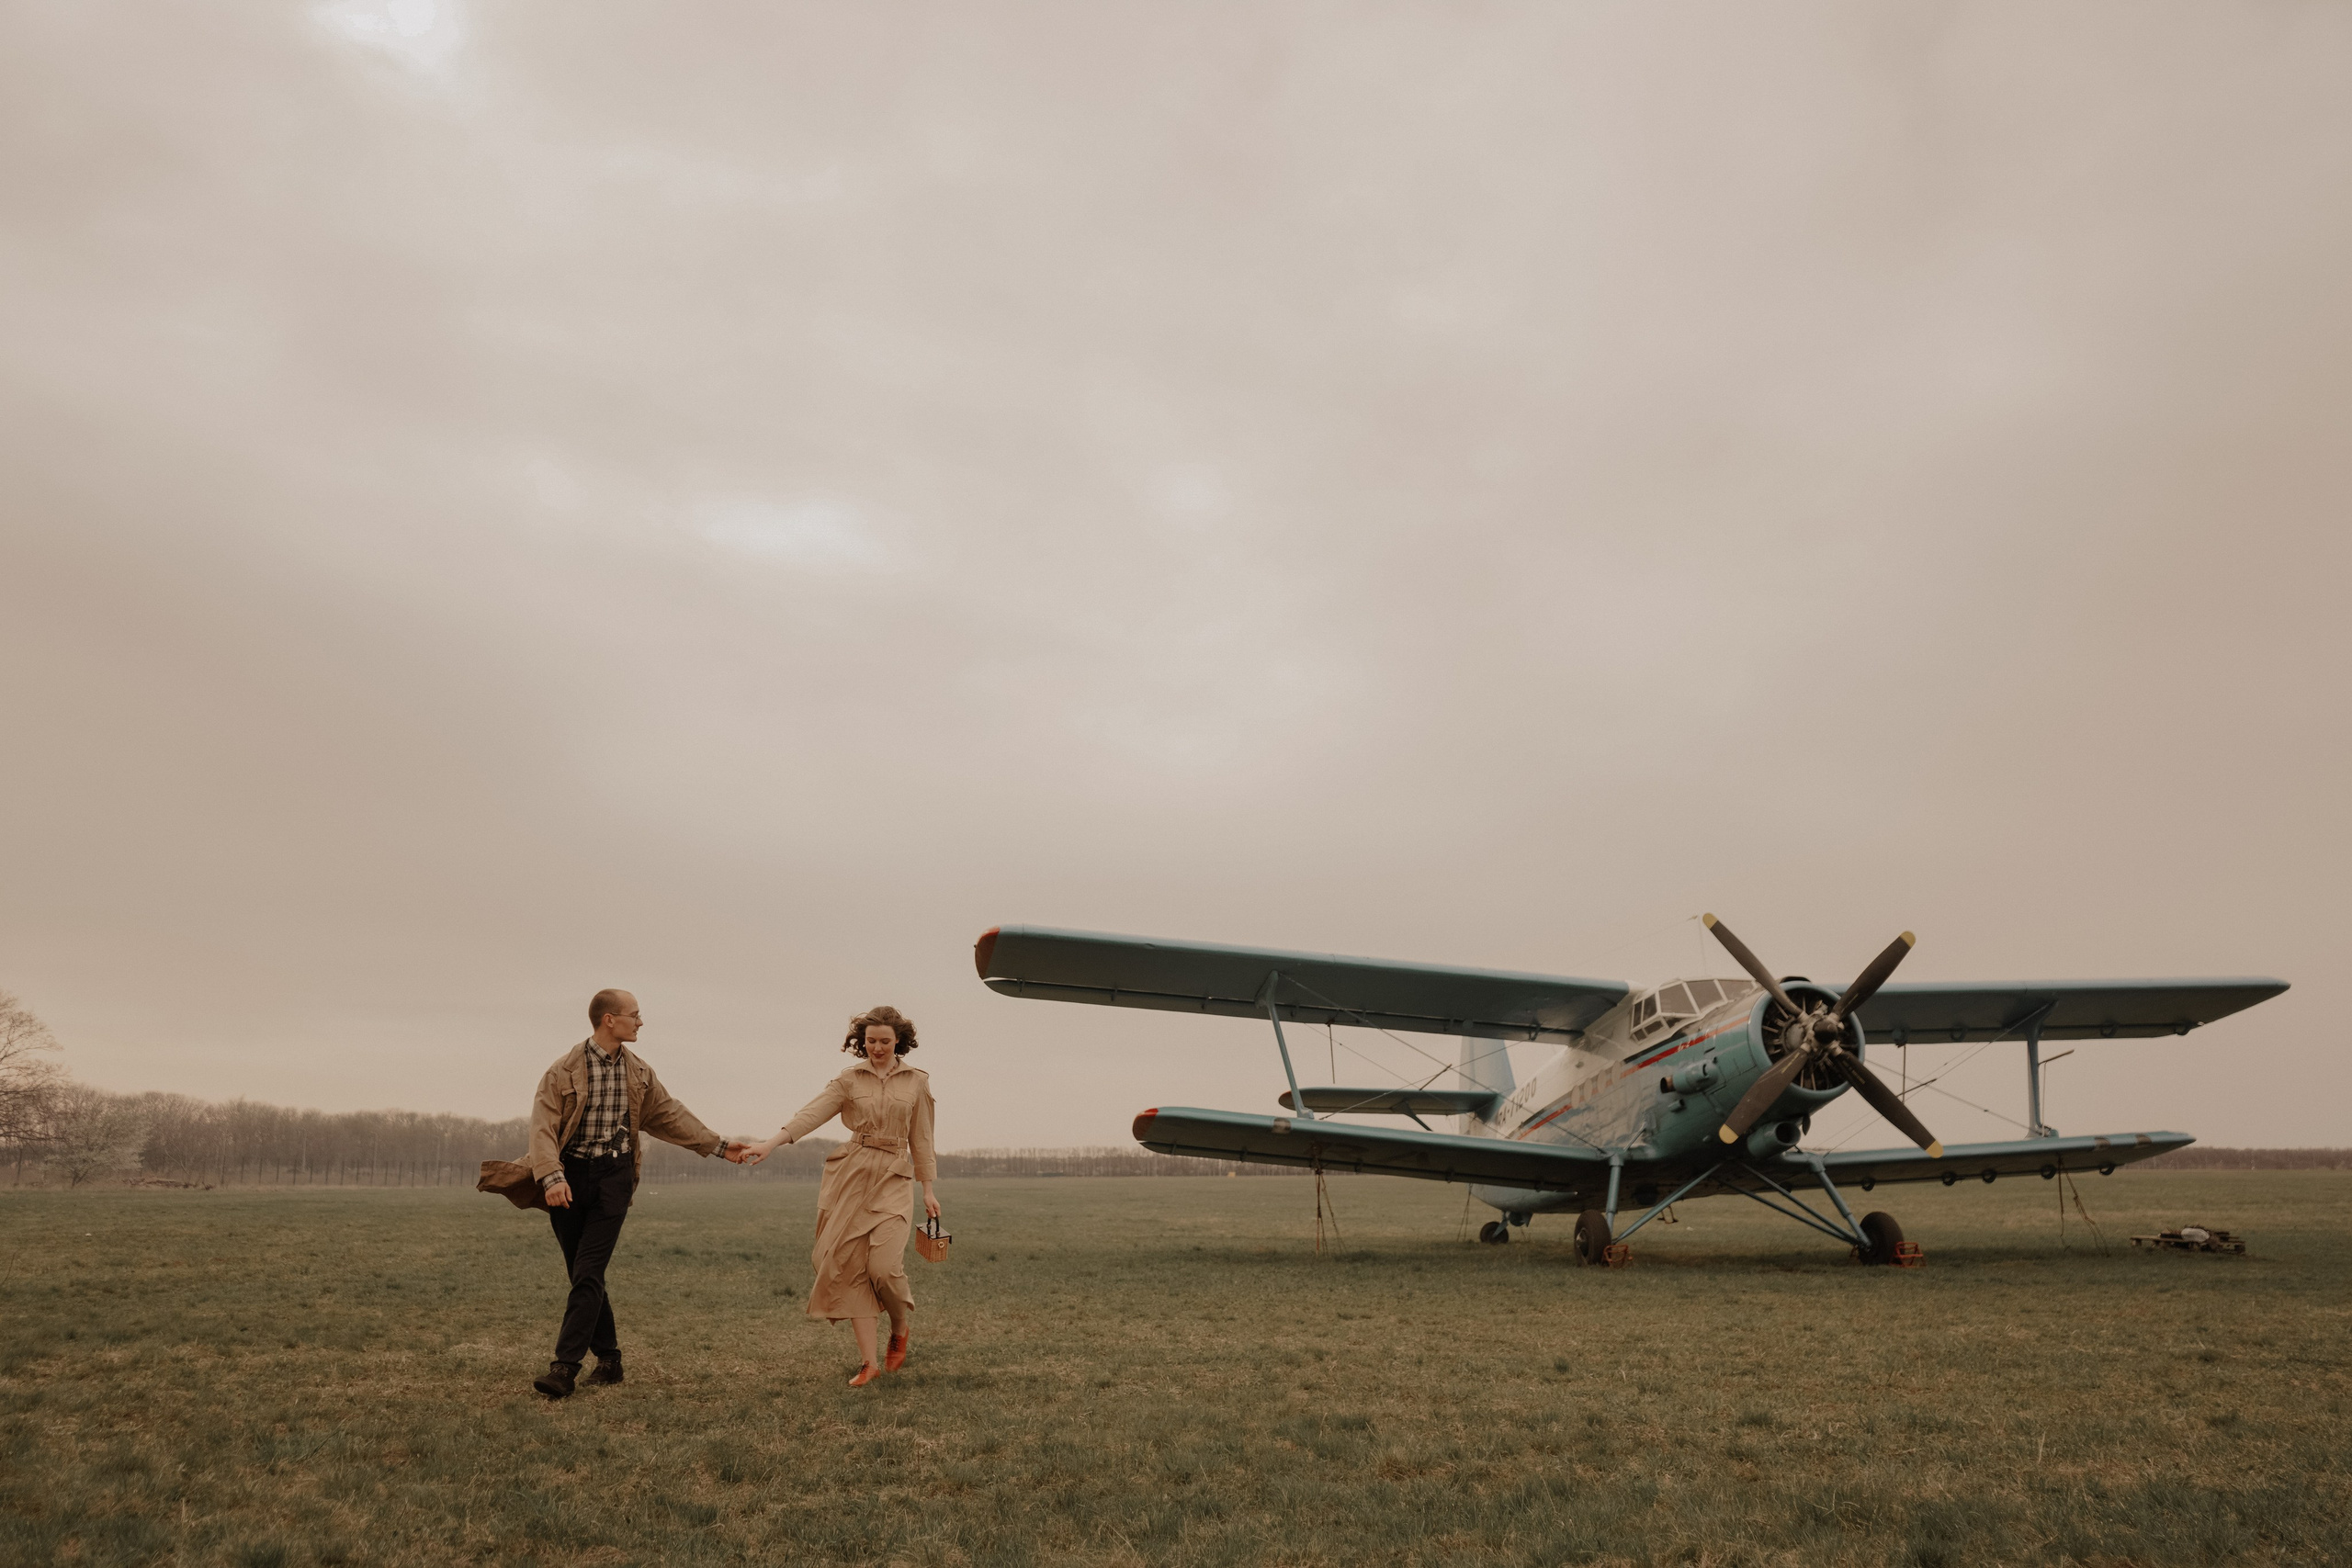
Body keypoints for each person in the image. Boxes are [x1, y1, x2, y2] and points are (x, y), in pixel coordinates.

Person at [526, 988, 748, 1399]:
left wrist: (719, 1146)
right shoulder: (562, 1071)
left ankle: (564, 1367)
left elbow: (670, 1114)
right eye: (635, 1015)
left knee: (588, 1270)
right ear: (610, 1019)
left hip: (615, 1176)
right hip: (569, 1178)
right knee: (583, 1273)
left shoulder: (640, 1073)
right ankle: (609, 1360)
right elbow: (542, 1126)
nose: (640, 1022)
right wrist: (551, 1177)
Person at [744, 1005, 938, 1386]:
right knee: (846, 1265)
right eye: (870, 1041)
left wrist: (928, 1190)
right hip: (852, 1174)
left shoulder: (916, 1081)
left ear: (898, 1040)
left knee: (884, 1268)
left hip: (894, 1177)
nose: (877, 1048)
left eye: (884, 1041)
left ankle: (899, 1327)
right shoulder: (849, 1080)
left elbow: (923, 1138)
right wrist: (771, 1143)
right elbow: (811, 1114)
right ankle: (869, 1362)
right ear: (861, 1042)